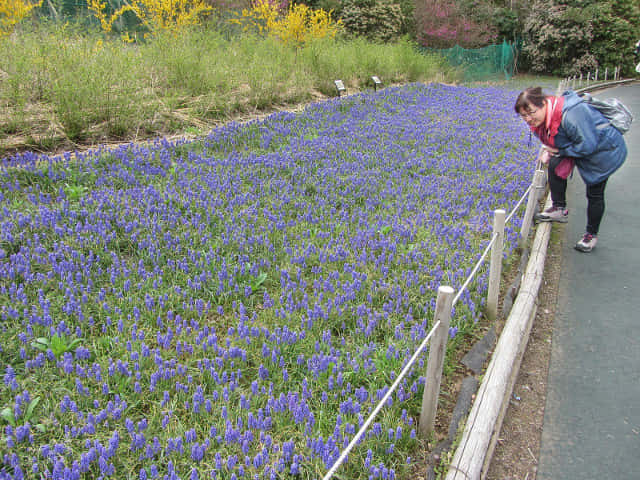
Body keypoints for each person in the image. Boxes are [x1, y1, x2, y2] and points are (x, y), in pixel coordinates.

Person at [514, 87, 627, 252]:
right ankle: (559, 209)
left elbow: (588, 144)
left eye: (531, 112)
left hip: (605, 150)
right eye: (524, 115)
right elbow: (556, 138)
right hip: (582, 145)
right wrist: (549, 149)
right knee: (554, 164)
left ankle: (591, 235)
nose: (528, 119)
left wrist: (559, 151)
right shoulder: (546, 117)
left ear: (544, 104)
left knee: (594, 191)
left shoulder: (571, 114)